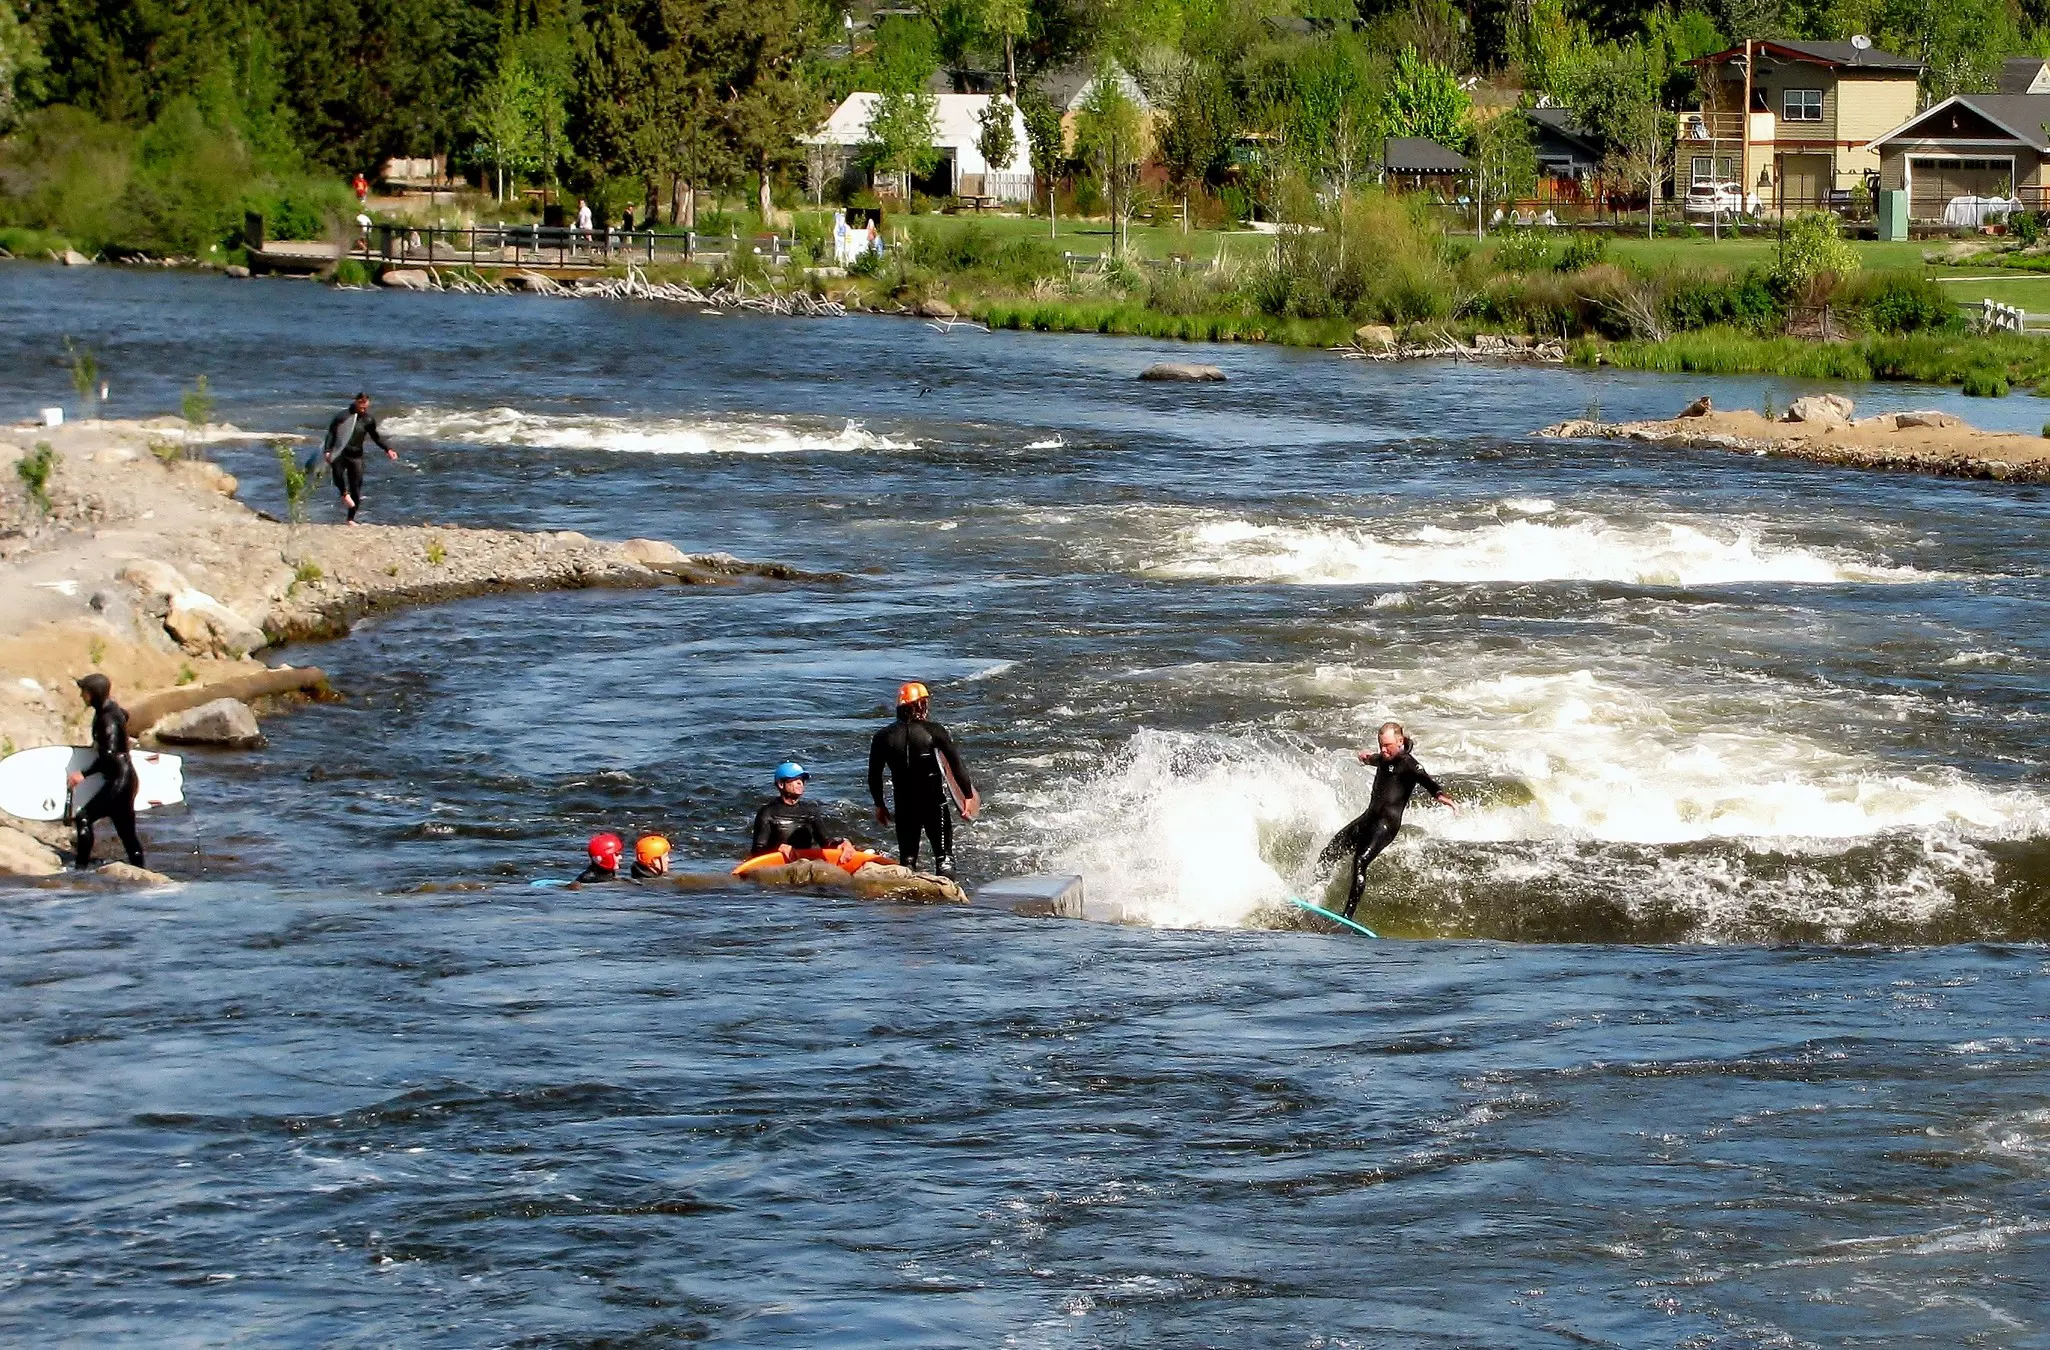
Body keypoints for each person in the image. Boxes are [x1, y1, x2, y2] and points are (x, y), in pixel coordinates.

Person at [1320, 721, 1454, 919]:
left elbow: (1428, 782)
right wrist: (1366, 758)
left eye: (1388, 746)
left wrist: (1441, 796)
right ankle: (1312, 894)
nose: (1383, 750)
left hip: (1386, 826)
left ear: (1399, 742)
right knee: (1329, 852)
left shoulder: (1410, 765)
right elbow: (1376, 759)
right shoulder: (1384, 757)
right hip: (1368, 819)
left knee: (1360, 861)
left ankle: (1347, 917)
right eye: (1381, 745)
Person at [868, 683, 979, 878]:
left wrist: (880, 805)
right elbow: (956, 765)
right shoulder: (934, 731)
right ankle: (947, 903)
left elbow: (874, 775)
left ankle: (907, 903)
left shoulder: (882, 737)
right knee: (944, 858)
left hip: (904, 805)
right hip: (934, 803)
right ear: (921, 705)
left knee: (907, 860)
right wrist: (967, 796)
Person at [67, 674, 144, 870]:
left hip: (119, 781)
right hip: (127, 778)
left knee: (83, 817)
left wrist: (83, 774)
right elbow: (124, 716)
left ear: (94, 694)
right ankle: (141, 871)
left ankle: (80, 870)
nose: (81, 696)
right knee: (127, 833)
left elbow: (108, 755)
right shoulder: (112, 709)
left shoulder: (106, 718)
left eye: (84, 692)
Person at [320, 392, 400, 524]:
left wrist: (388, 449)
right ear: (356, 402)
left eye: (366, 407)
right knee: (338, 474)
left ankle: (350, 519)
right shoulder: (342, 416)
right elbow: (331, 434)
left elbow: (376, 437)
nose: (364, 409)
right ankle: (344, 494)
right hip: (341, 453)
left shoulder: (368, 420)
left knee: (356, 489)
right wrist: (327, 451)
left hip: (356, 456)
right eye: (362, 407)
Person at [750, 761, 847, 857]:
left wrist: (841, 844)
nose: (800, 783)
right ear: (781, 784)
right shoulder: (768, 812)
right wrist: (777, 849)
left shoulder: (810, 811)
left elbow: (826, 843)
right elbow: (757, 850)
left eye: (801, 780)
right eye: (795, 779)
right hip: (780, 862)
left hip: (805, 860)